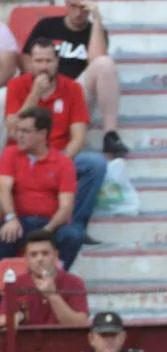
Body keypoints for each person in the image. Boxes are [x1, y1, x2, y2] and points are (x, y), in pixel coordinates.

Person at [5, 39, 107, 250]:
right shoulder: (16, 85)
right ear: (30, 63)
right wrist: (34, 94)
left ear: (57, 62)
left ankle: (75, 223)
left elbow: (79, 136)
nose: (43, 66)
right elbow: (15, 132)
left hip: (60, 154)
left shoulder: (71, 88)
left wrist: (59, 162)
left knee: (95, 164)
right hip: (23, 154)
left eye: (48, 61)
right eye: (38, 61)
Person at [21, 0, 128, 156]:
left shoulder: (96, 31)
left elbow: (97, 60)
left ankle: (110, 135)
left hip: (75, 93)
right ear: (66, 4)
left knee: (105, 64)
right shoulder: (47, 25)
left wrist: (97, 19)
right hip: (44, 88)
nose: (78, 13)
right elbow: (26, 58)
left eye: (83, 9)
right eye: (73, 7)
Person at [0, 107, 83, 269]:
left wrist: (47, 231)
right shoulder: (11, 153)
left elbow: (66, 207)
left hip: (49, 224)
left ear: (42, 134)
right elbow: (3, 187)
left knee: (73, 236)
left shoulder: (63, 163)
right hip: (18, 221)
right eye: (18, 131)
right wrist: (10, 217)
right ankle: (4, 283)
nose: (19, 136)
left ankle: (56, 277)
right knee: (5, 234)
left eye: (25, 131)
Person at [0, 229, 88, 328]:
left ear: (56, 255)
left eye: (45, 253)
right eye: (33, 255)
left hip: (64, 342)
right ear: (26, 259)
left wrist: (53, 295)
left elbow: (82, 325)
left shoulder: (74, 283)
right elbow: (3, 320)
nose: (40, 259)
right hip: (26, 342)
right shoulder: (15, 284)